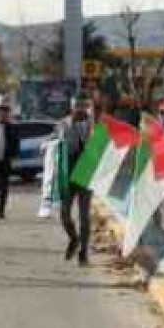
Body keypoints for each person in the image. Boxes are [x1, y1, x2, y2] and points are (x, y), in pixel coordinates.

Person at [56, 94, 96, 265]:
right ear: (72, 107)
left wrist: (91, 128)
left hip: (86, 174)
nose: (81, 110)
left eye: (84, 106)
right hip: (68, 174)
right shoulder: (63, 124)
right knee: (64, 214)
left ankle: (84, 253)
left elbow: (96, 148)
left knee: (85, 216)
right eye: (78, 106)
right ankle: (74, 238)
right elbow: (59, 143)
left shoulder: (92, 126)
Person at [0, 97, 19, 219]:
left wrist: (14, 157)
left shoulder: (12, 127)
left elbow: (16, 142)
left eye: (7, 112)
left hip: (6, 161)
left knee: (4, 187)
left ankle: (1, 211)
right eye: (2, 111)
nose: (4, 114)